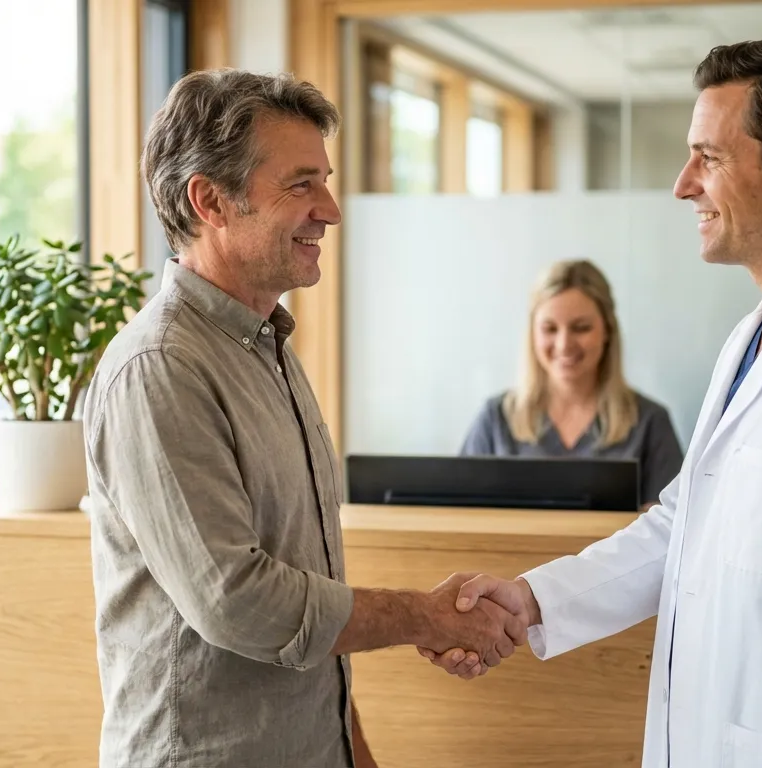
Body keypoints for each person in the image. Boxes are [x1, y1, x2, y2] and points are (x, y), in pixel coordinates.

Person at [421, 36, 762, 768]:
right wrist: (533, 600)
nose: (684, 184)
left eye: (708, 158)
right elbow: (682, 528)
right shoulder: (754, 339)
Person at [81, 69, 526, 768]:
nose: (330, 208)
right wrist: (424, 614)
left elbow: (304, 598)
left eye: (324, 179)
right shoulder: (161, 369)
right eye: (301, 184)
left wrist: (354, 751)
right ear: (210, 200)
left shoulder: (271, 351)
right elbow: (240, 602)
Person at [459, 259, 683, 508]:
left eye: (581, 328)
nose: (564, 344)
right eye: (550, 329)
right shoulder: (495, 419)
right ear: (533, 333)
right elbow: (462, 517)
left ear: (607, 330)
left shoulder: (650, 423)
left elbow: (669, 529)